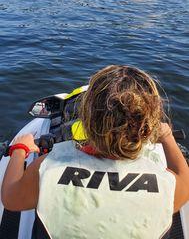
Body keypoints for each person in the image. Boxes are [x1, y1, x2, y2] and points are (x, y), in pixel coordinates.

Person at [1, 65, 189, 239]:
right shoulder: (168, 187)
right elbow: (184, 178)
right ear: (147, 128)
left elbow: (10, 198)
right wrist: (167, 137)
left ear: (86, 121)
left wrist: (19, 150)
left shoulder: (47, 168)